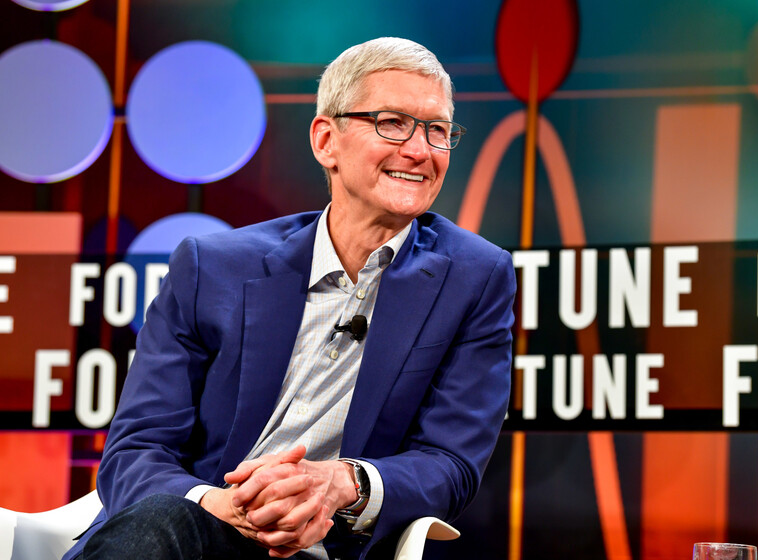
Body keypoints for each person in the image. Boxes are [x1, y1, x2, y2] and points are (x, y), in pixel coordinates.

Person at [65, 36, 515, 560]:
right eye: (392, 123)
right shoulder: (211, 267)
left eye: (437, 130)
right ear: (326, 141)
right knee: (162, 523)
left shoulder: (474, 278)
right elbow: (135, 450)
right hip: (188, 530)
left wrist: (343, 483)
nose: (419, 150)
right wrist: (216, 504)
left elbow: (451, 465)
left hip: (319, 548)